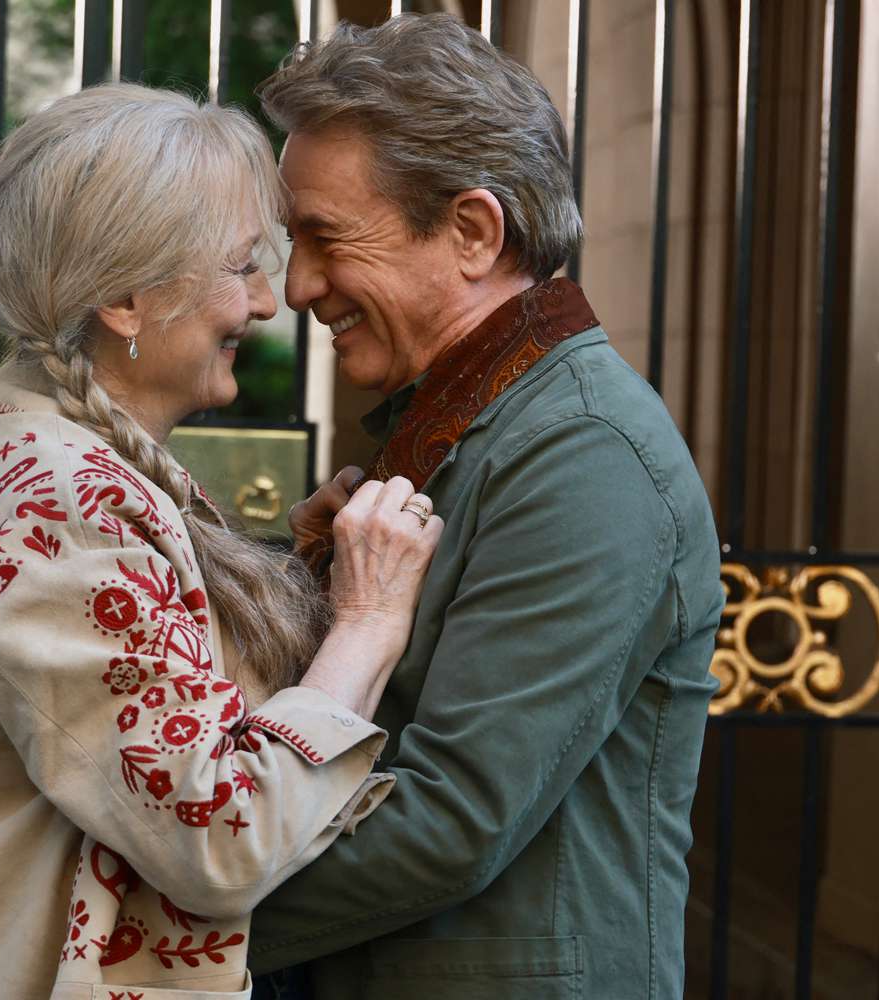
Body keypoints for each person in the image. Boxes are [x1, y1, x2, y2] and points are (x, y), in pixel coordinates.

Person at [0, 83, 443, 999]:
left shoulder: (62, 465)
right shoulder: (66, 505)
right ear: (128, 299)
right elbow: (218, 832)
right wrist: (367, 621)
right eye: (242, 265)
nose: (268, 301)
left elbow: (153, 711)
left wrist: (293, 577)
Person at [246, 15, 724, 998]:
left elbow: (449, 818)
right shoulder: (478, 417)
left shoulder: (585, 451)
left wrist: (149, 907)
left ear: (472, 231)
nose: (296, 286)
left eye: (324, 238)